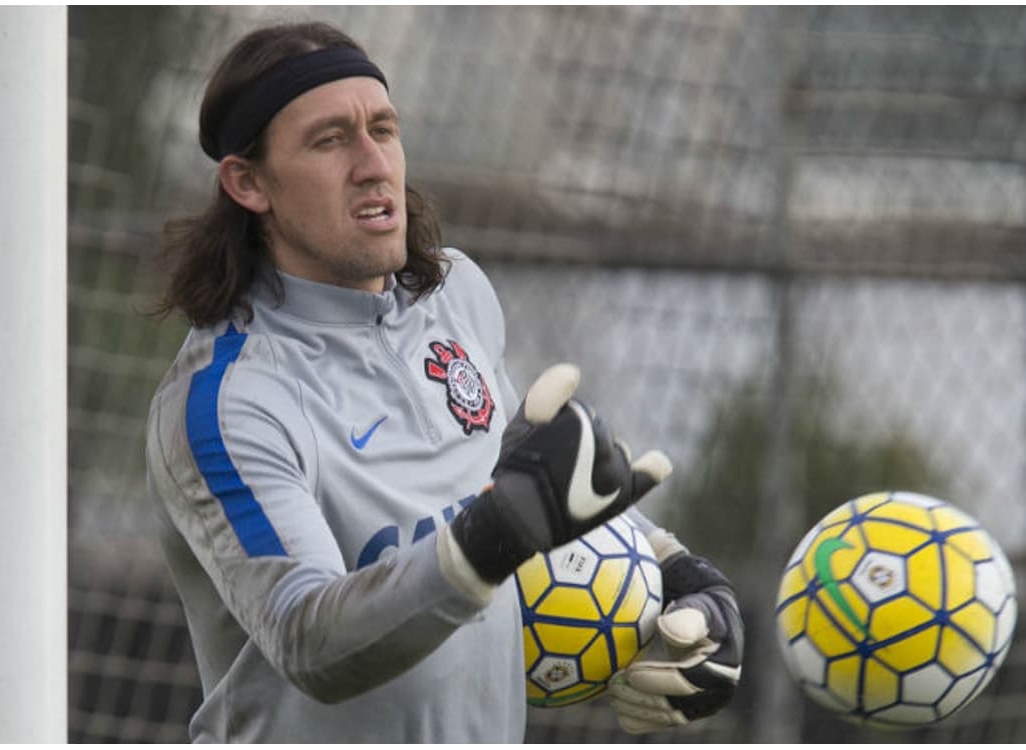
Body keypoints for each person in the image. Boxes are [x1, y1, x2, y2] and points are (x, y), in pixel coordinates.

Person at [146, 20, 744, 743]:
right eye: (330, 140)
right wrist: (493, 536)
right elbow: (309, 638)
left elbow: (517, 484)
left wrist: (675, 569)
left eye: (384, 129)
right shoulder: (227, 403)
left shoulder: (455, 294)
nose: (374, 164)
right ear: (248, 182)